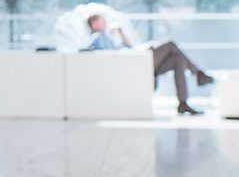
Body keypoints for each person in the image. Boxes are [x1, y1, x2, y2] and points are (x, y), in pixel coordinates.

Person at [84, 13, 215, 115]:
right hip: (133, 64)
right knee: (170, 44)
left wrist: (120, 31)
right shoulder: (97, 37)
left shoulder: (106, 37)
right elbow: (97, 53)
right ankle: (198, 73)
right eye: (102, 20)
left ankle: (183, 103)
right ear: (94, 23)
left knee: (178, 59)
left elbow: (127, 46)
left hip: (136, 60)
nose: (106, 23)